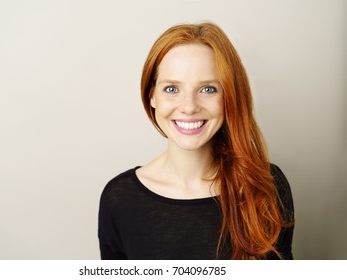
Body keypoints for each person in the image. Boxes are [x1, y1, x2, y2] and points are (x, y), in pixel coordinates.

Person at [98, 22, 294, 260]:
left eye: (208, 89)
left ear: (229, 97)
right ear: (152, 96)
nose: (189, 107)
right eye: (171, 88)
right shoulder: (119, 199)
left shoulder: (266, 186)